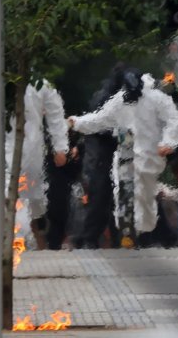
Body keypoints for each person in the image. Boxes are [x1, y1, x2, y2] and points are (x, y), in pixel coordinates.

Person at [68, 70, 178, 246]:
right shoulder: (120, 100)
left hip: (149, 154)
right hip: (126, 151)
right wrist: (77, 122)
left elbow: (173, 120)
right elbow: (100, 119)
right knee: (122, 190)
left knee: (145, 195)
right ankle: (127, 228)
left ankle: (144, 229)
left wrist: (168, 142)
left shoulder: (157, 99)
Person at [5, 78, 70, 249]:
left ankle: (30, 244)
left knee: (30, 203)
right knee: (15, 199)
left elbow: (55, 116)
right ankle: (20, 245)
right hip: (11, 149)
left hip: (31, 152)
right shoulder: (0, 79)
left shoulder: (39, 85)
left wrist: (60, 147)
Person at [74, 65, 126, 249]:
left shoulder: (107, 94)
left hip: (101, 155)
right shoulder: (107, 97)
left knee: (108, 198)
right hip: (100, 156)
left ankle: (107, 237)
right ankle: (88, 238)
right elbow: (99, 124)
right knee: (100, 198)